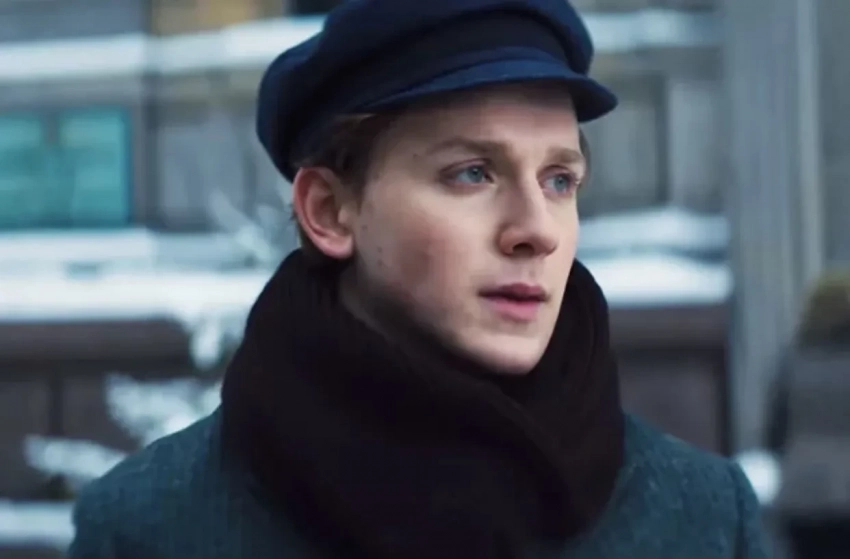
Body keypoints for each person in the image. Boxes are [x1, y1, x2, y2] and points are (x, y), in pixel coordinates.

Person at [66, 0, 771, 557]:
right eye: (473, 173)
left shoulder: (704, 519)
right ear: (329, 210)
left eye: (560, 179)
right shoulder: (150, 530)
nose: (537, 229)